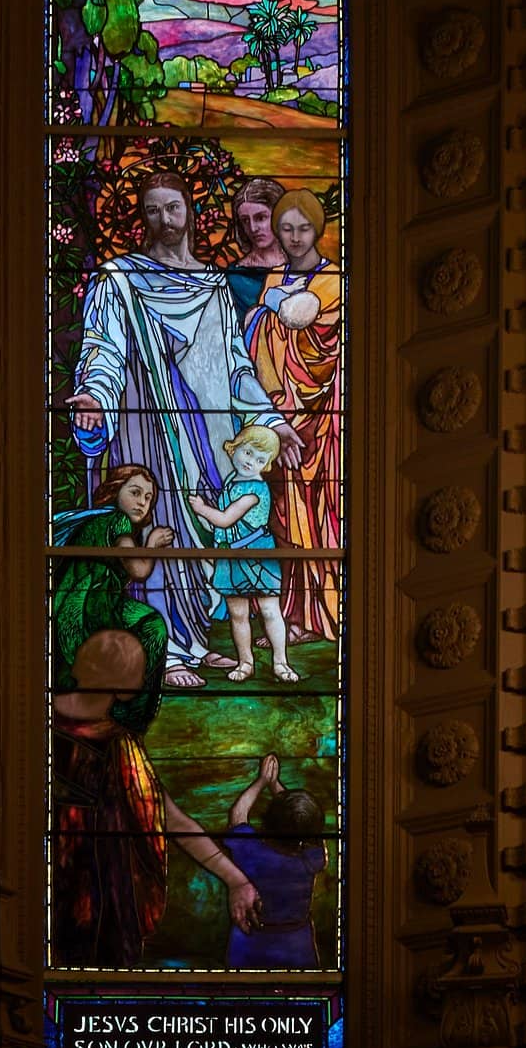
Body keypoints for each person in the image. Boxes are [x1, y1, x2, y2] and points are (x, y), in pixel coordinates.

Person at [66, 170, 303, 687]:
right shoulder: (118, 280)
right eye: (152, 210)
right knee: (156, 528)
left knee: (196, 532)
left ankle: (193, 641)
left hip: (206, 435)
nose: (164, 219)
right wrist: (96, 399)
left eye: (172, 207)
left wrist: (270, 422)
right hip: (145, 429)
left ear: (190, 213)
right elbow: (104, 352)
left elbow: (237, 367)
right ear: (142, 217)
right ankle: (166, 649)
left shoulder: (215, 288)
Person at [51, 630, 263, 969]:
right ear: (128, 687)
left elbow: (167, 816)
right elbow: (172, 819)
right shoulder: (122, 749)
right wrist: (235, 878)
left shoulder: (37, 724)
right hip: (102, 901)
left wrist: (235, 879)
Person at [245, 187, 341, 642]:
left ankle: (319, 612)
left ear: (318, 229)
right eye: (287, 228)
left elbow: (299, 317)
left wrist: (270, 304)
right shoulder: (276, 275)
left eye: (304, 228)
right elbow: (263, 335)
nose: (295, 236)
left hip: (322, 422)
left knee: (318, 511)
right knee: (283, 516)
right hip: (280, 413)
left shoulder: (334, 279)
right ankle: (292, 615)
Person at [52, 464, 172, 736]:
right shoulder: (117, 520)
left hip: (80, 601)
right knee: (153, 626)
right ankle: (129, 715)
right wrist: (152, 544)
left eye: (148, 497)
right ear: (114, 491)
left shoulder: (98, 520)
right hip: (90, 604)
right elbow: (138, 569)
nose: (142, 502)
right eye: (135, 492)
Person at [189, 426, 298, 684]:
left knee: (270, 610)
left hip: (257, 556)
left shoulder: (255, 490)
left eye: (261, 459)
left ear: (267, 464)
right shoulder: (232, 481)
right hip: (231, 557)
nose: (251, 462)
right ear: (234, 448)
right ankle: (245, 662)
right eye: (248, 452)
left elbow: (225, 520)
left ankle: (281, 662)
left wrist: (201, 509)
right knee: (238, 614)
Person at [220, 753, 327, 971]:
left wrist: (263, 781)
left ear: (268, 821)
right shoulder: (312, 857)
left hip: (251, 944)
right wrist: (276, 784)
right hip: (297, 945)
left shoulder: (251, 851)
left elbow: (237, 815)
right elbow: (301, 821)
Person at [224, 176, 285, 327]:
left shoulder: (300, 267)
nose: (253, 228)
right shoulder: (234, 277)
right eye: (245, 220)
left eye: (260, 218)